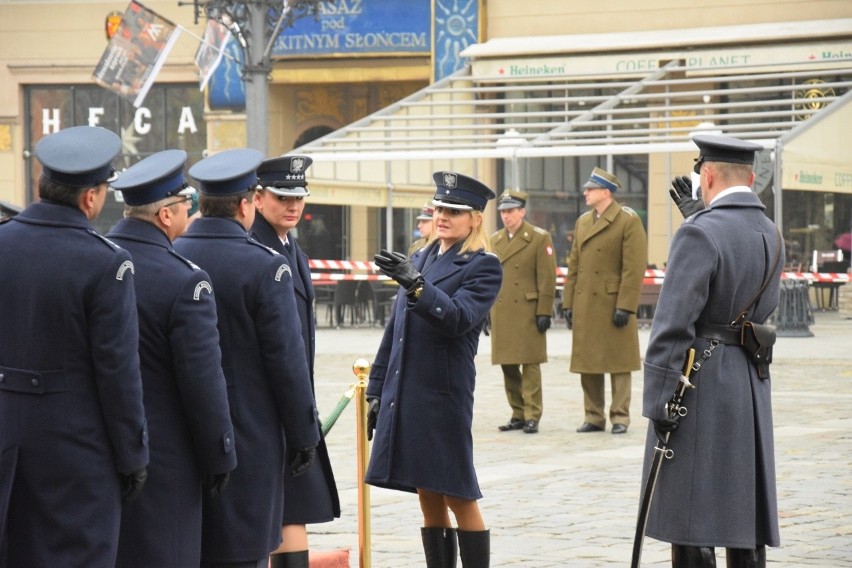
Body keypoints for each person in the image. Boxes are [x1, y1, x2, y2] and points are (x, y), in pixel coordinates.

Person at [0, 126, 148, 566]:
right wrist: (133, 454)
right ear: (90, 197)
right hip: (76, 448)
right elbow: (118, 371)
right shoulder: (106, 261)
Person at [173, 148, 320, 568]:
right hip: (251, 428)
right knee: (245, 549)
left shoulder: (174, 253)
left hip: (180, 429)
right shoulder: (264, 266)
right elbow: (287, 362)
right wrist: (304, 433)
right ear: (247, 202)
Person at [642, 135, 782, 567]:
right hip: (747, 380)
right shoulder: (771, 232)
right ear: (752, 178)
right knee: (743, 519)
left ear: (706, 175)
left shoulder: (699, 232)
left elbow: (671, 328)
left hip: (697, 383)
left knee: (691, 517)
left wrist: (659, 402)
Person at [365, 171, 502, 568]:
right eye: (440, 207)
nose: (442, 216)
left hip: (442, 392)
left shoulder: (483, 265)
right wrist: (377, 387)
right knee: (427, 492)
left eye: (454, 211)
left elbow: (459, 317)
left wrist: (418, 287)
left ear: (475, 218)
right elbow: (397, 330)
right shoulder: (423, 256)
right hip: (408, 390)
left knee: (458, 493)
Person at [107, 150, 237, 567]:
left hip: (101, 452)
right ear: (166, 215)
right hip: (168, 459)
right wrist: (220, 455)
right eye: (186, 205)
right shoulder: (183, 278)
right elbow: (202, 381)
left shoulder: (98, 259)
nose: (188, 212)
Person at [251, 155, 340, 568]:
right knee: (276, 512)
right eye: (282, 197)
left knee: (294, 508)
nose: (293, 206)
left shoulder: (291, 248)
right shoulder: (256, 248)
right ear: (257, 196)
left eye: (298, 197)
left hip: (292, 402)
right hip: (266, 405)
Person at [562, 167, 647, 434]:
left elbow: (633, 268)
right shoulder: (583, 222)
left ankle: (620, 416)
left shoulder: (627, 220)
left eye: (591, 189)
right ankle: (593, 416)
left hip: (613, 303)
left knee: (619, 363)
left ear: (606, 192)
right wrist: (567, 303)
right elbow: (574, 265)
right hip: (586, 301)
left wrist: (625, 305)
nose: (585, 192)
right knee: (589, 362)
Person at [489, 189, 557, 434]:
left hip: (528, 310)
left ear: (522, 212)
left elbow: (547, 278)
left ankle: (532, 414)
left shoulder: (539, 237)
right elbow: (489, 279)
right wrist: (486, 312)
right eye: (503, 212)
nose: (506, 216)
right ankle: (517, 412)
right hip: (502, 309)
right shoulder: (495, 240)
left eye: (510, 211)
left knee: (530, 365)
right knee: (507, 365)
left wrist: (544, 311)